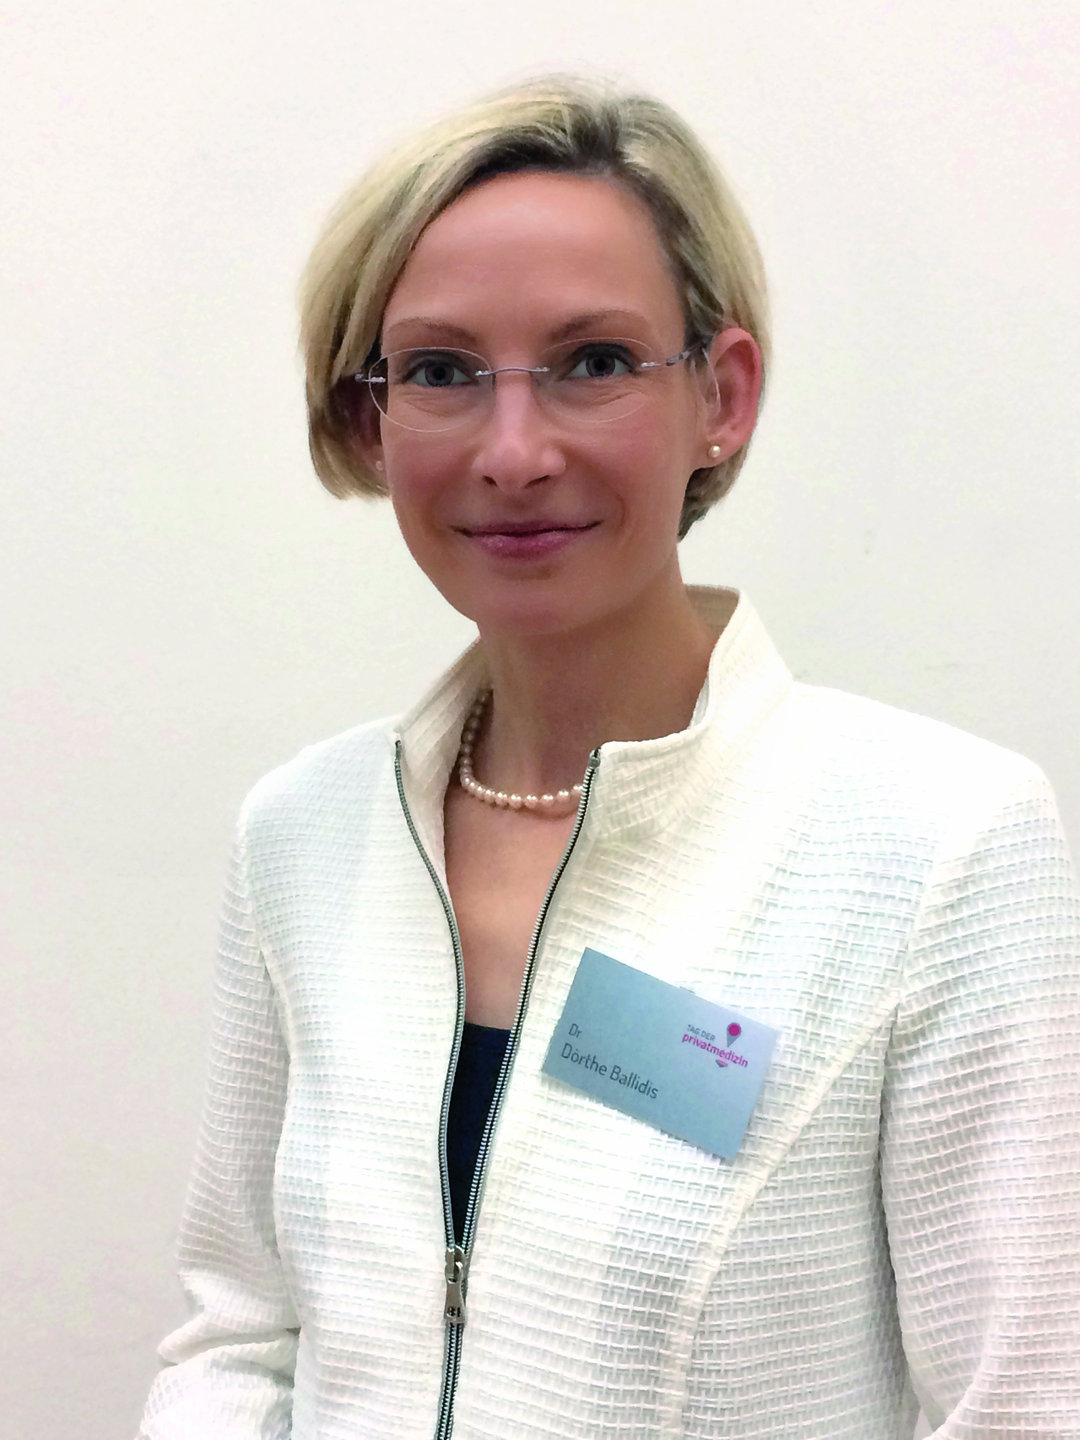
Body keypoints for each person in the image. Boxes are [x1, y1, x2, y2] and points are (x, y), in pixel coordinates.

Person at [137, 75, 1080, 1440]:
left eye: (592, 363)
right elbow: (238, 1332)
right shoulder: (303, 835)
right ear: (368, 420)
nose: (515, 453)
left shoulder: (939, 848)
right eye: (441, 373)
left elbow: (1025, 1403)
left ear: (722, 396)